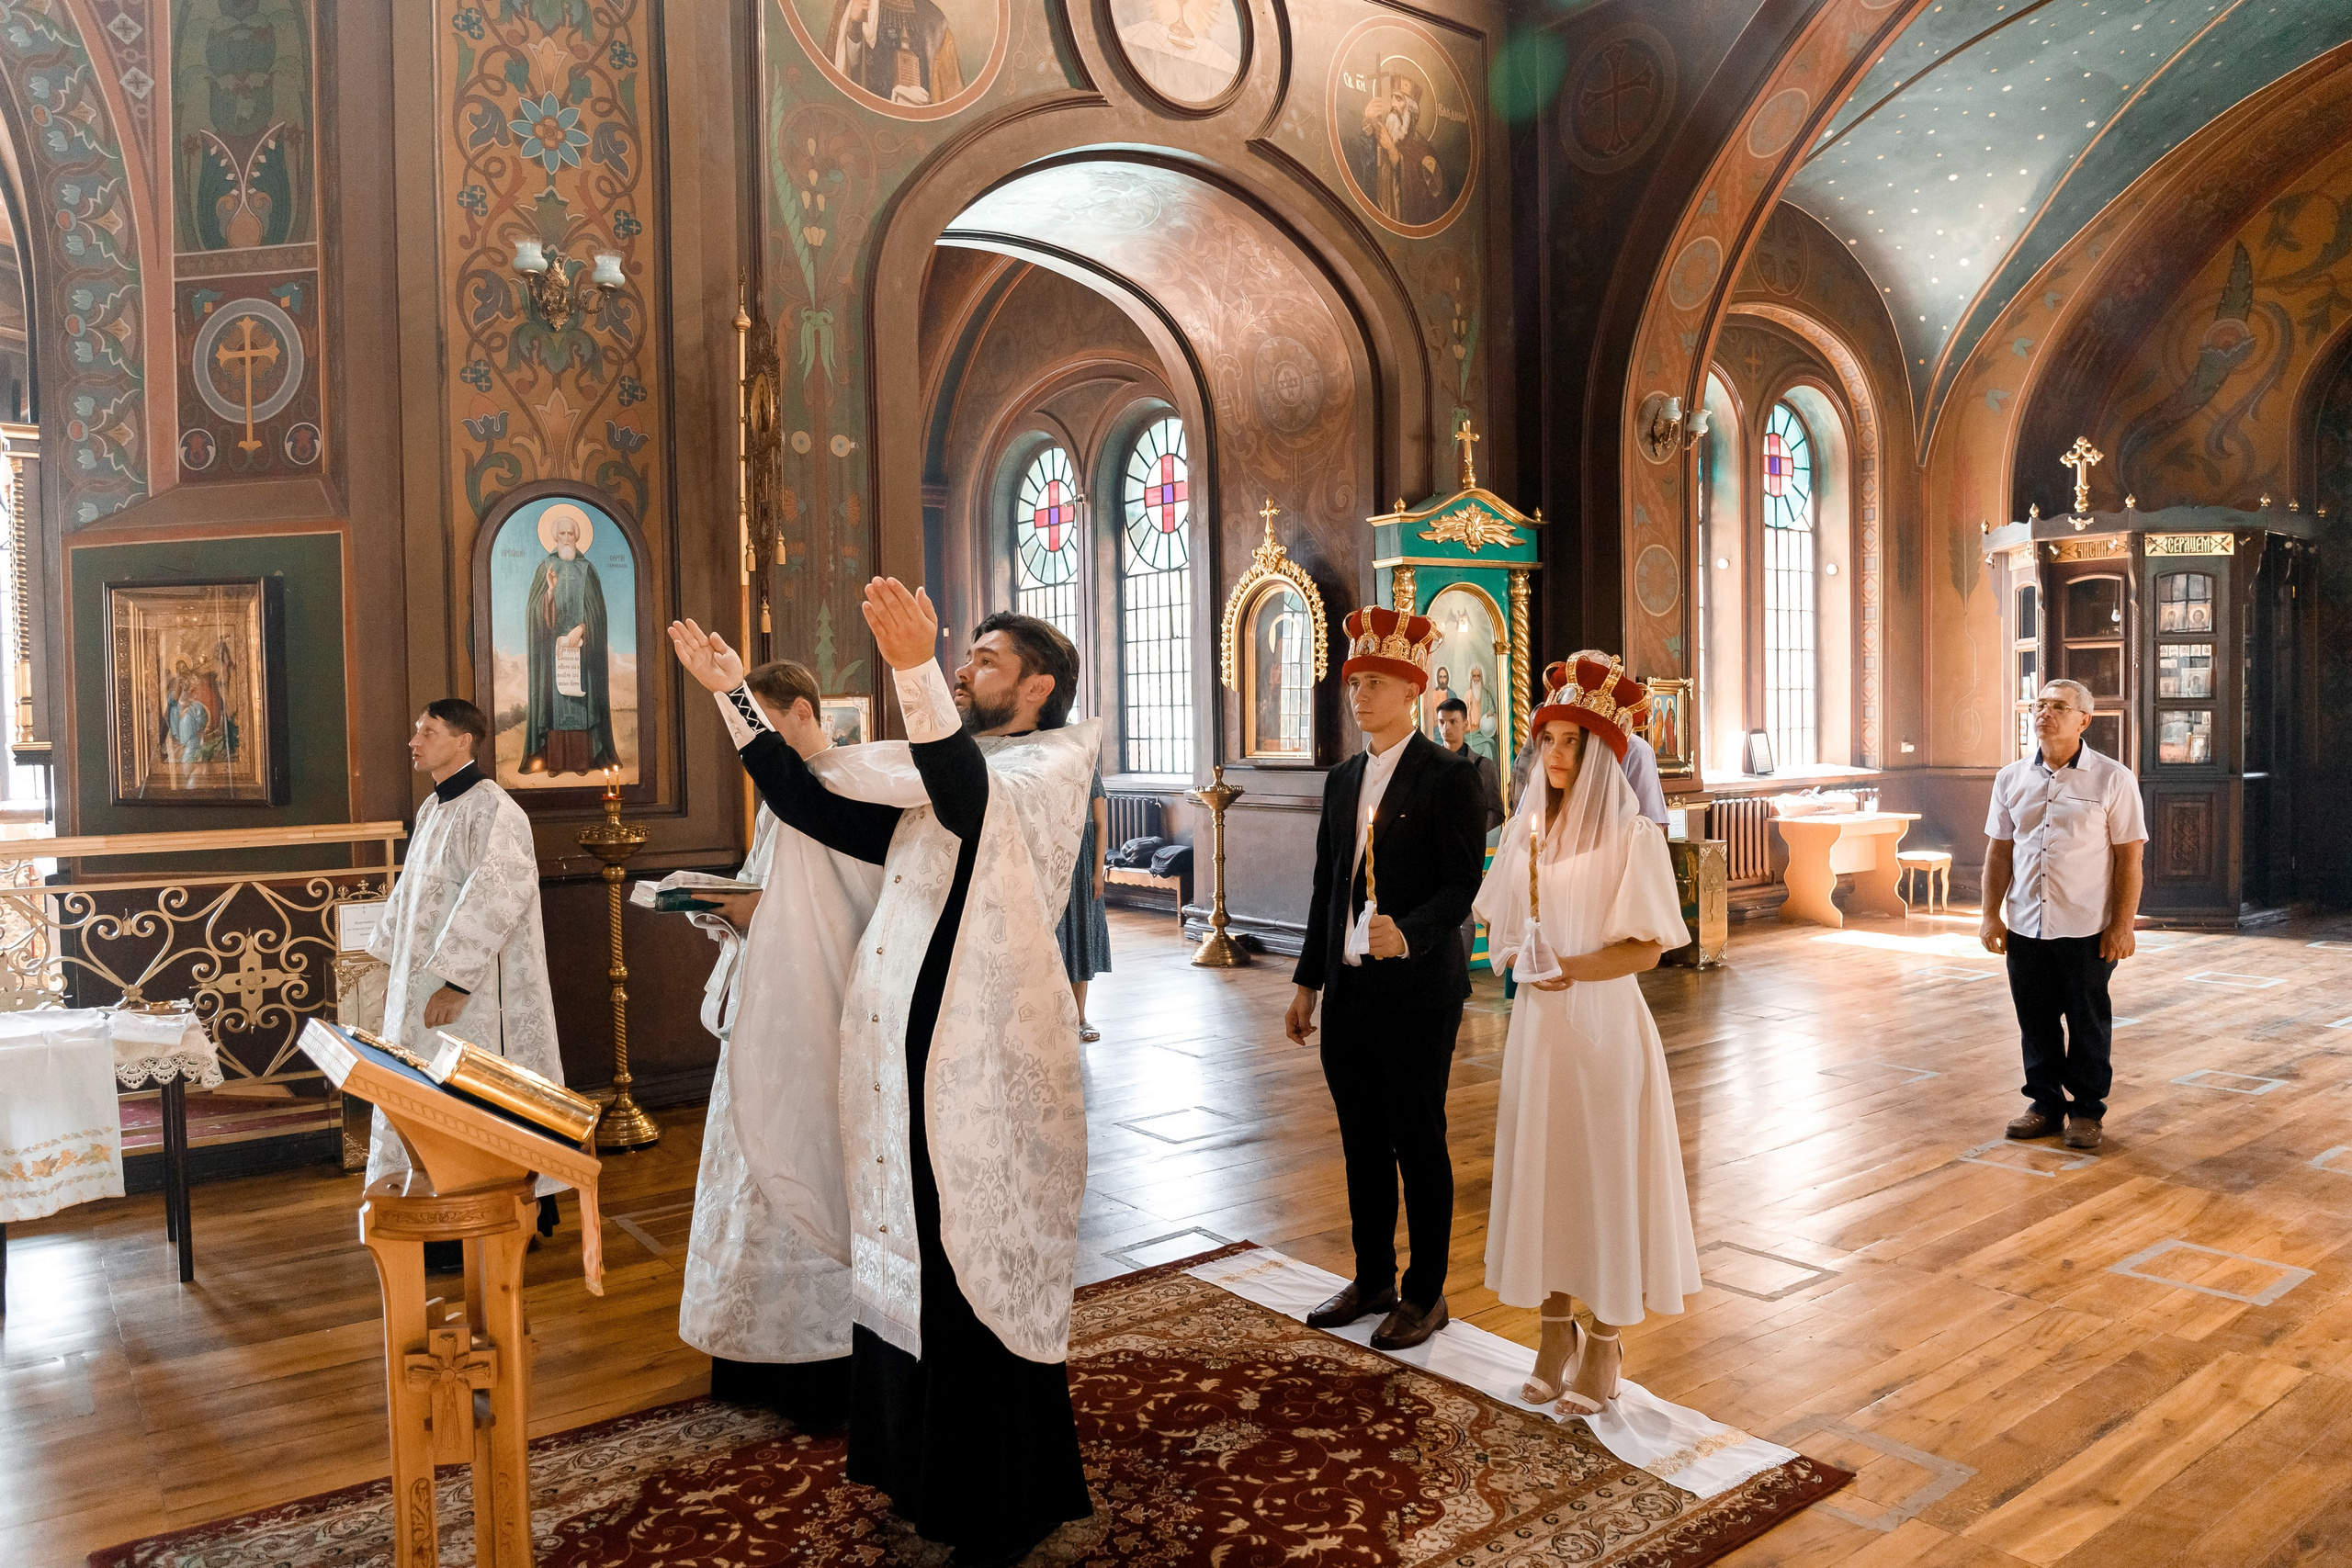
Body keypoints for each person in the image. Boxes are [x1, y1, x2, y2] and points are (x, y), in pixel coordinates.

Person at [668, 581, 1096, 1568]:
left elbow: (970, 801)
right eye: (962, 656)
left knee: (961, 1266)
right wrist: (733, 698)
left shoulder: (1047, 765)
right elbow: (812, 805)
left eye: (984, 660)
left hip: (974, 1065)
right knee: (905, 1257)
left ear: (1038, 687)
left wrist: (912, 667)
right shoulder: (936, 776)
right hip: (900, 1049)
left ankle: (996, 1500)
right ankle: (922, 1472)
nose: (965, 670)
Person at [1474, 657, 1702, 1415]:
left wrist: (1567, 965)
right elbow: (1503, 930)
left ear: (1601, 752)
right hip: (1539, 1035)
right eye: (1549, 740)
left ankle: (1605, 1341)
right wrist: (1518, 954)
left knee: (1606, 1179)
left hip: (1604, 1029)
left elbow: (1648, 948)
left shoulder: (1632, 837)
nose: (1557, 754)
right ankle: (1552, 1333)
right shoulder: (1527, 833)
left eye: (1572, 741)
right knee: (1548, 1176)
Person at [680, 658, 883, 1432]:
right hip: (764, 1007)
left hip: (819, 1012)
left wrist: (755, 912)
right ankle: (754, 1348)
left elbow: (853, 905)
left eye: (758, 724)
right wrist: (723, 911)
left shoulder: (849, 786)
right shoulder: (780, 797)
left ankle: (823, 1358)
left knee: (808, 1167)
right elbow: (765, 890)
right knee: (752, 1175)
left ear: (801, 710)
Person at [1283, 605, 1486, 1351]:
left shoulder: (1450, 776)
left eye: (1374, 683)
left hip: (1417, 992)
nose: (1359, 695)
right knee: (1362, 1141)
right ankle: (1373, 1277)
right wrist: (1308, 981)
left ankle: (1426, 1293)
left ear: (1412, 690)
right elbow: (1326, 886)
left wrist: (1410, 931)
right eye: (1354, 683)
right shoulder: (1343, 779)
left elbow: (1463, 883)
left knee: (1416, 1140)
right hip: (1349, 991)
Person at [364, 699, 566, 1256]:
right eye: (417, 729)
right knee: (428, 1095)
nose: (414, 741)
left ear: (463, 742)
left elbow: (497, 896)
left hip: (472, 997)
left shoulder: (494, 809)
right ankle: (432, 1213)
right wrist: (388, 961)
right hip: (421, 985)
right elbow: (411, 891)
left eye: (428, 731)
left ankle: (488, 1223)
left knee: (471, 1100)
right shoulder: (434, 806)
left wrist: (456, 983)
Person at [1981, 679, 2146, 1152]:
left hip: (2086, 925)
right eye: (2040, 704)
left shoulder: (2113, 778)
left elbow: (2130, 857)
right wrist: (1990, 915)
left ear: (2084, 720)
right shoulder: (2010, 778)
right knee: (2035, 1020)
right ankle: (2045, 1105)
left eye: (2058, 706)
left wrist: (2123, 925)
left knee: (2087, 1020)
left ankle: (2087, 1111)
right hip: (2026, 923)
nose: (2045, 713)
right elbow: (1999, 851)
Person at [1510, 648, 1669, 827]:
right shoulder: (1550, 744)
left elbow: (1652, 824)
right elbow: (1525, 815)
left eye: (1593, 677)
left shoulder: (1637, 751)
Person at [522, 502, 616, 777]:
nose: (566, 538)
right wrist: (550, 592)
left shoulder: (588, 569)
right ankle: (554, 763)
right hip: (554, 654)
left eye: (571, 534)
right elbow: (534, 612)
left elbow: (598, 613)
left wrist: (583, 627)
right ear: (555, 537)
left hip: (582, 651)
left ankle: (580, 761)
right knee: (554, 703)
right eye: (562, 533)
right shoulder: (546, 567)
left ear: (577, 537)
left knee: (580, 703)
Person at [1437, 695, 1504, 967]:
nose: (1447, 728)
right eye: (1442, 723)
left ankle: (1459, 973)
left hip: (1466, 850)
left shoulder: (1481, 765)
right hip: (1435, 848)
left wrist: (1471, 831)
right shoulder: (1431, 764)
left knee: (1465, 914)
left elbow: (1496, 810)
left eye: (1453, 722)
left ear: (1465, 724)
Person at [1058, 767, 1111, 1042]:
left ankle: (1080, 1018)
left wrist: (1097, 872)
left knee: (1080, 938)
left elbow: (1100, 824)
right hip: (1053, 858)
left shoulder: (1089, 771)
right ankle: (1057, 1017)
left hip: (1083, 864)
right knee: (1055, 940)